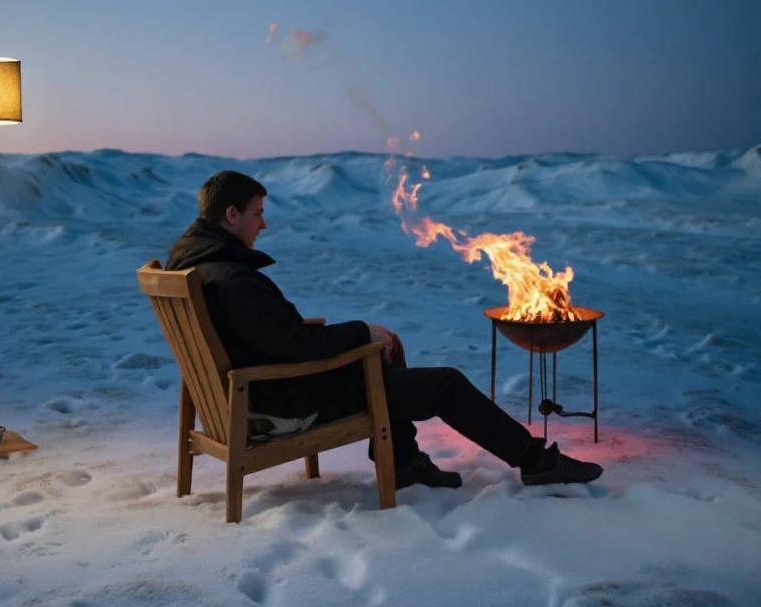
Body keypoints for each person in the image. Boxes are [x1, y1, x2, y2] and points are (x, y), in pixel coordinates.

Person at [165, 170, 603, 491]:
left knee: (386, 348)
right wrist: (359, 333)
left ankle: (404, 462)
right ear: (230, 214)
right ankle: (535, 462)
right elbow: (294, 345)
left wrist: (367, 338)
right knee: (444, 384)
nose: (263, 224)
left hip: (259, 391)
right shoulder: (235, 279)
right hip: (283, 398)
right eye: (257, 214)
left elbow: (277, 339)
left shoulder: (196, 267)